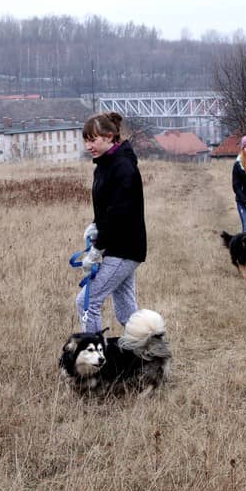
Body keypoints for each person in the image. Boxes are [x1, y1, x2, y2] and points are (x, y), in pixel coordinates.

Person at [76, 112, 146, 334]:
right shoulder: (104, 165)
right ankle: (147, 349)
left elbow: (119, 214)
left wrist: (97, 250)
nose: (88, 146)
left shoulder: (122, 166)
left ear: (109, 136)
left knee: (87, 301)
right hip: (121, 246)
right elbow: (107, 208)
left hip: (124, 248)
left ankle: (94, 354)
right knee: (126, 308)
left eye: (93, 140)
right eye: (86, 140)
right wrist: (95, 225)